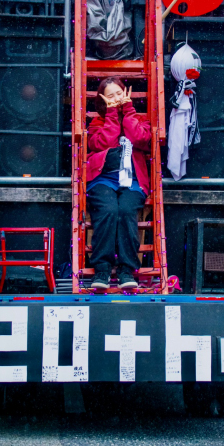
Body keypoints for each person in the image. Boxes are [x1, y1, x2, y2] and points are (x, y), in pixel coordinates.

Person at [86, 77, 151, 289]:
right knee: (108, 210)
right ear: (103, 100)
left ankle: (126, 270)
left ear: (126, 94)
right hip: (103, 179)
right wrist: (112, 113)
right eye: (110, 96)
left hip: (133, 180)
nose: (115, 98)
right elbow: (103, 143)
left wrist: (128, 110)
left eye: (118, 94)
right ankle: (102, 270)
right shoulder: (97, 123)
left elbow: (140, 138)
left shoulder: (139, 120)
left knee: (126, 211)